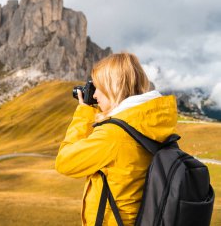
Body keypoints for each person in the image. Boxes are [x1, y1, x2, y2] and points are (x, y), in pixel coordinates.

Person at [55, 52, 177, 226]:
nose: (95, 95)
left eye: (98, 87)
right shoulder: (149, 122)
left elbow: (64, 162)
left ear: (113, 87)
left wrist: (84, 113)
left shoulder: (113, 135)